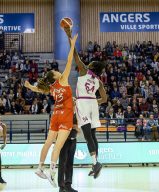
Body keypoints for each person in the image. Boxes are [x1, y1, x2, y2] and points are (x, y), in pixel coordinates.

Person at [24, 34, 78, 187]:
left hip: (56, 116)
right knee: (58, 146)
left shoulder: (51, 88)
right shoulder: (63, 80)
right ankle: (52, 173)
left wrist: (30, 87)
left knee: (48, 143)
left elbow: (39, 90)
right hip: (66, 116)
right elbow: (69, 61)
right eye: (55, 71)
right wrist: (72, 45)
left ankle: (40, 167)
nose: (58, 71)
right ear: (55, 76)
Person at [64, 27, 107, 178]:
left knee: (88, 135)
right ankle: (96, 163)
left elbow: (74, 54)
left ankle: (96, 164)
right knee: (93, 136)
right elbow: (105, 99)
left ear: (92, 66)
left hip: (83, 103)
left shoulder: (83, 71)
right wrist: (95, 101)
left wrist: (69, 36)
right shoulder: (99, 81)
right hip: (93, 104)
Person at [58, 98, 79, 192]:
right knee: (62, 163)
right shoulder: (64, 113)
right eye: (72, 101)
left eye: (75, 101)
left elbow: (79, 129)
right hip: (64, 140)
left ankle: (68, 185)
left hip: (73, 140)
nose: (74, 102)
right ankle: (61, 186)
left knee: (70, 163)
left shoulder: (77, 114)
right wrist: (72, 126)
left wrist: (74, 127)